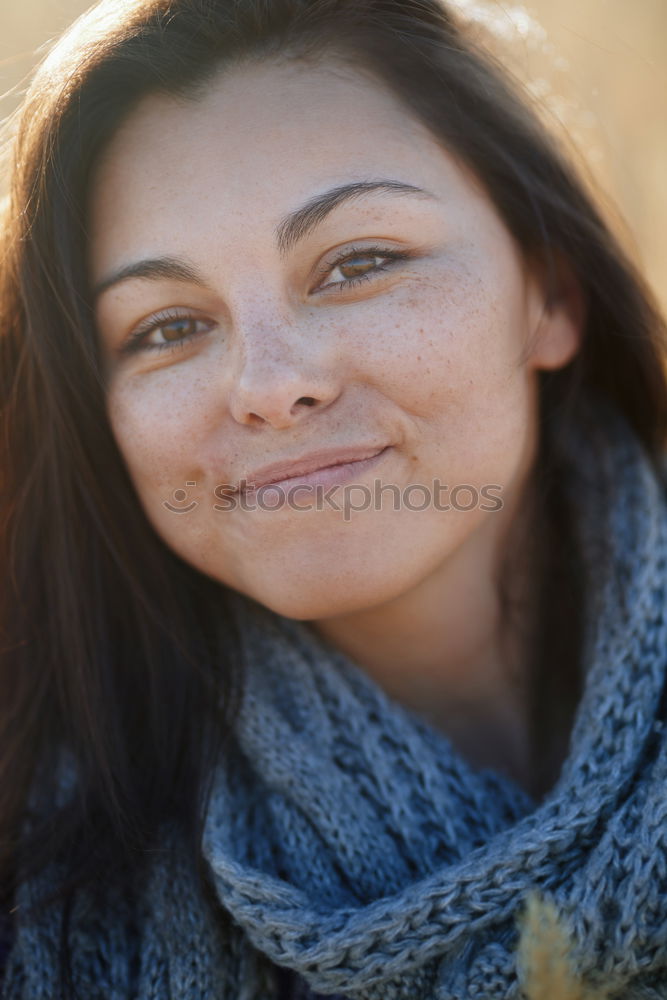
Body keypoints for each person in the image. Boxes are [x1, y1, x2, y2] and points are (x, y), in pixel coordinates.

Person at [1, 0, 666, 997]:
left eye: (358, 264)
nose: (269, 385)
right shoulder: (32, 883)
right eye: (168, 327)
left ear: (551, 295)